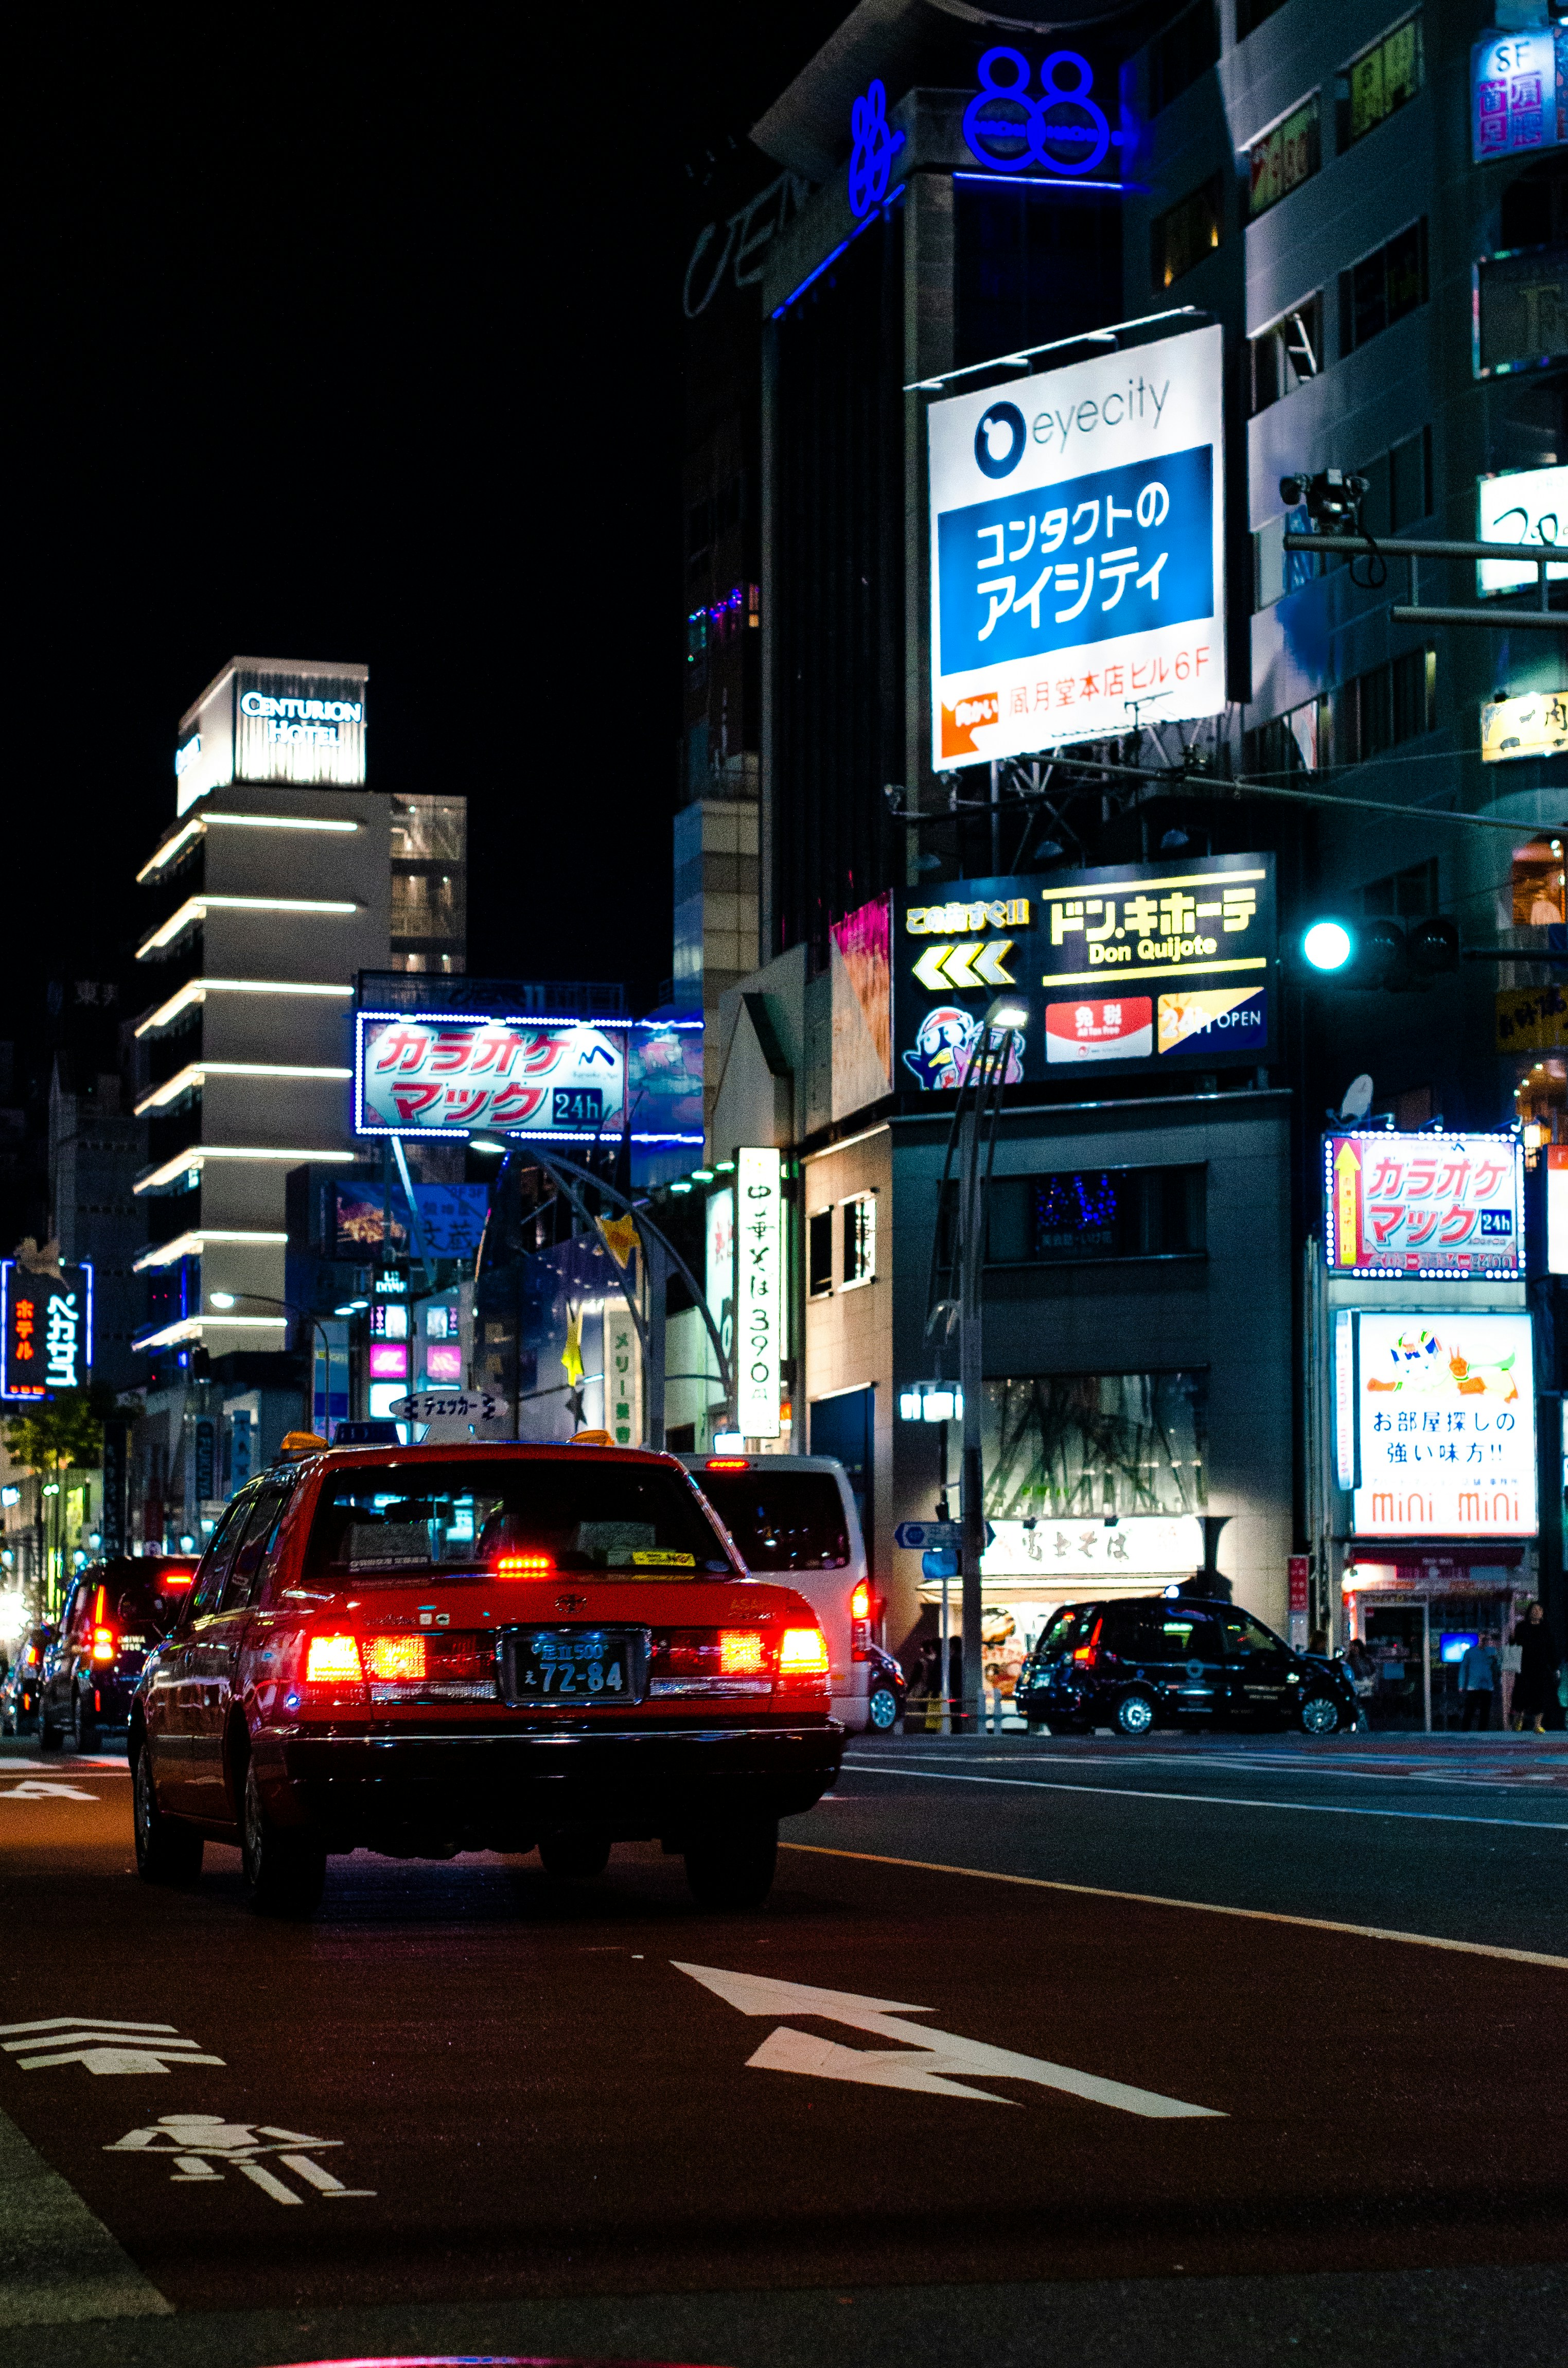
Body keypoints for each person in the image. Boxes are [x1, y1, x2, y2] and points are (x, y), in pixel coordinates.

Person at [1509, 1601, 1561, 1734]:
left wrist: (1555, 1666)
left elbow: (1551, 1649)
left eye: (1539, 1610)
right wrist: (1511, 1638)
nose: (1536, 1612)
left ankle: (1537, 1724)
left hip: (1541, 1669)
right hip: (1524, 1668)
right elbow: (1513, 1644)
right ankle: (1518, 1720)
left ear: (1543, 1613)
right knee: (1521, 1696)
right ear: (1529, 1612)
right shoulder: (1521, 1627)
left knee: (1541, 1696)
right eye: (1534, 1609)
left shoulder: (1546, 1629)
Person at [1458, 1635, 1499, 1730]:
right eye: (1482, 1639)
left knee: (1485, 1712)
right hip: (1473, 1686)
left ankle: (1482, 1732)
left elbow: (1496, 1668)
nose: (1484, 1641)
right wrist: (1461, 1684)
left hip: (1487, 1686)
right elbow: (1463, 1668)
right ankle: (1465, 1732)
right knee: (1469, 1711)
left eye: (1486, 1639)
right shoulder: (1470, 1652)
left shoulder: (1492, 1652)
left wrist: (1496, 1660)